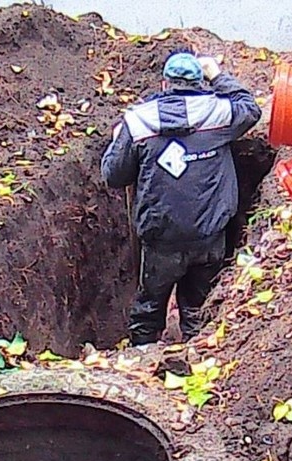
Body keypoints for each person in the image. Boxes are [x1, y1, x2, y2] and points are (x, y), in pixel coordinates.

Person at [101, 52, 262, 347]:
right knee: (198, 308)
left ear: (165, 84)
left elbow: (113, 175)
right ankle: (195, 357)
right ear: (201, 83)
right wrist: (218, 74)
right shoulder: (218, 114)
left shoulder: (138, 123)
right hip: (209, 237)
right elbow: (250, 108)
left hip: (162, 240)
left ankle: (142, 359)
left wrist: (119, 141)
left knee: (149, 308)